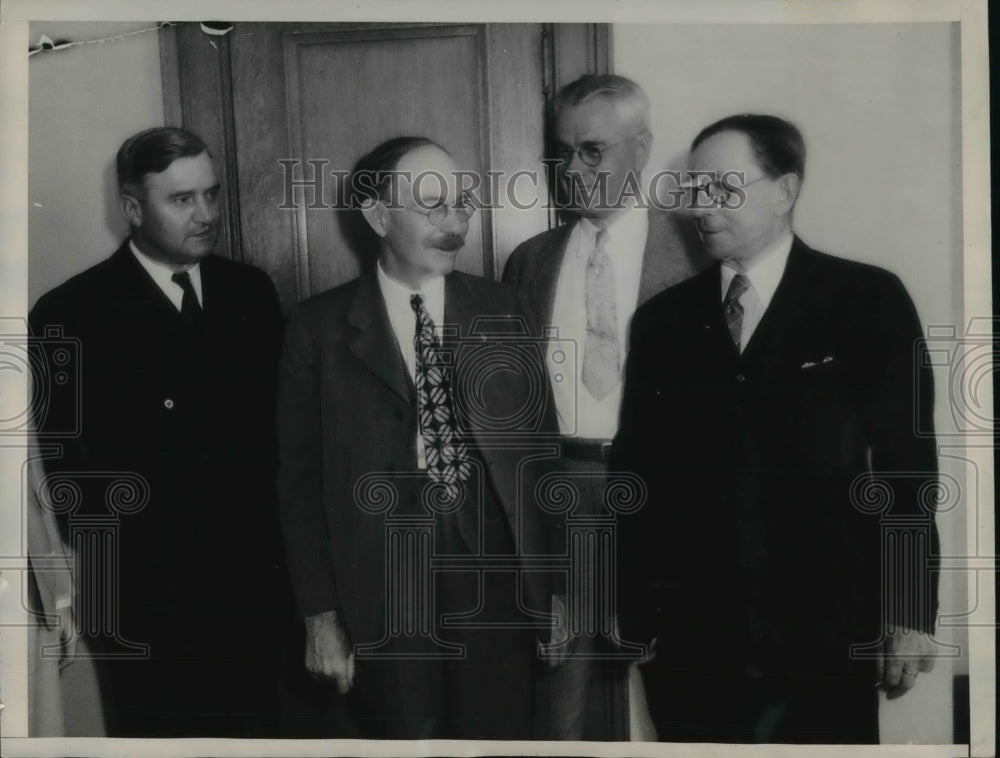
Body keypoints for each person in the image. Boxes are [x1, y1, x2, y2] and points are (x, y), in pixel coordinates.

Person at [612, 114, 940, 743]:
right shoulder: (662, 322)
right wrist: (629, 611)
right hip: (693, 646)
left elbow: (907, 468)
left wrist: (906, 613)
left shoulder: (866, 300)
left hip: (826, 637)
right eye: (693, 190)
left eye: (722, 188)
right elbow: (635, 474)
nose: (701, 207)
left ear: (785, 190)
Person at [276, 136, 558, 740]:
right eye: (432, 205)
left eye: (461, 202)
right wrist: (320, 616)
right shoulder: (316, 329)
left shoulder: (505, 309)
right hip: (380, 590)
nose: (454, 221)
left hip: (496, 585)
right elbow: (297, 485)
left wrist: (552, 590)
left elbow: (539, 456)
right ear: (378, 216)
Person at [28, 127, 285, 737]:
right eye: (182, 199)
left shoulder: (250, 291)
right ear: (133, 207)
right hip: (149, 606)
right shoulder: (70, 312)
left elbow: (280, 443)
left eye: (212, 194)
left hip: (252, 593)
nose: (206, 215)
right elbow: (75, 479)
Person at [502, 73, 709, 740]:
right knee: (555, 707)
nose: (572, 170)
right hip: (561, 493)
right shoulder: (529, 262)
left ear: (641, 147)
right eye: (562, 153)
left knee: (686, 699)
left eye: (592, 150)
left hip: (666, 499)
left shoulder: (698, 251)